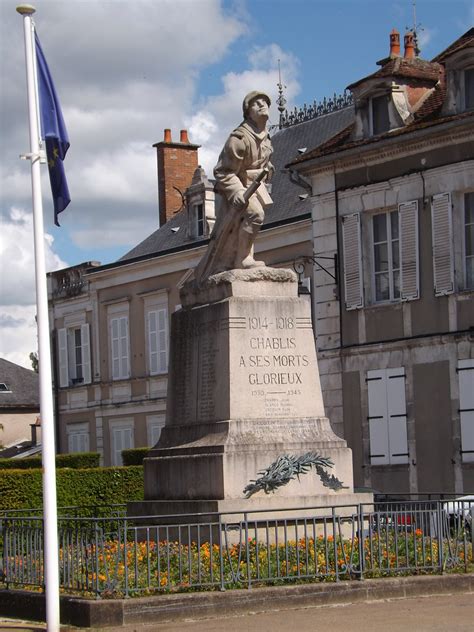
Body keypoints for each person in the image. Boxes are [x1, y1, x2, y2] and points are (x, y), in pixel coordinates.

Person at [194, 91, 274, 281]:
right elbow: (222, 171)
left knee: (245, 223)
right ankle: (243, 259)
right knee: (255, 215)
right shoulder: (238, 139)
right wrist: (237, 191)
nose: (262, 105)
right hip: (239, 189)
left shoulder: (266, 138)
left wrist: (268, 169)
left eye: (265, 102)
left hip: (257, 186)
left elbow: (263, 162)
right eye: (256, 103)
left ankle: (242, 258)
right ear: (248, 112)